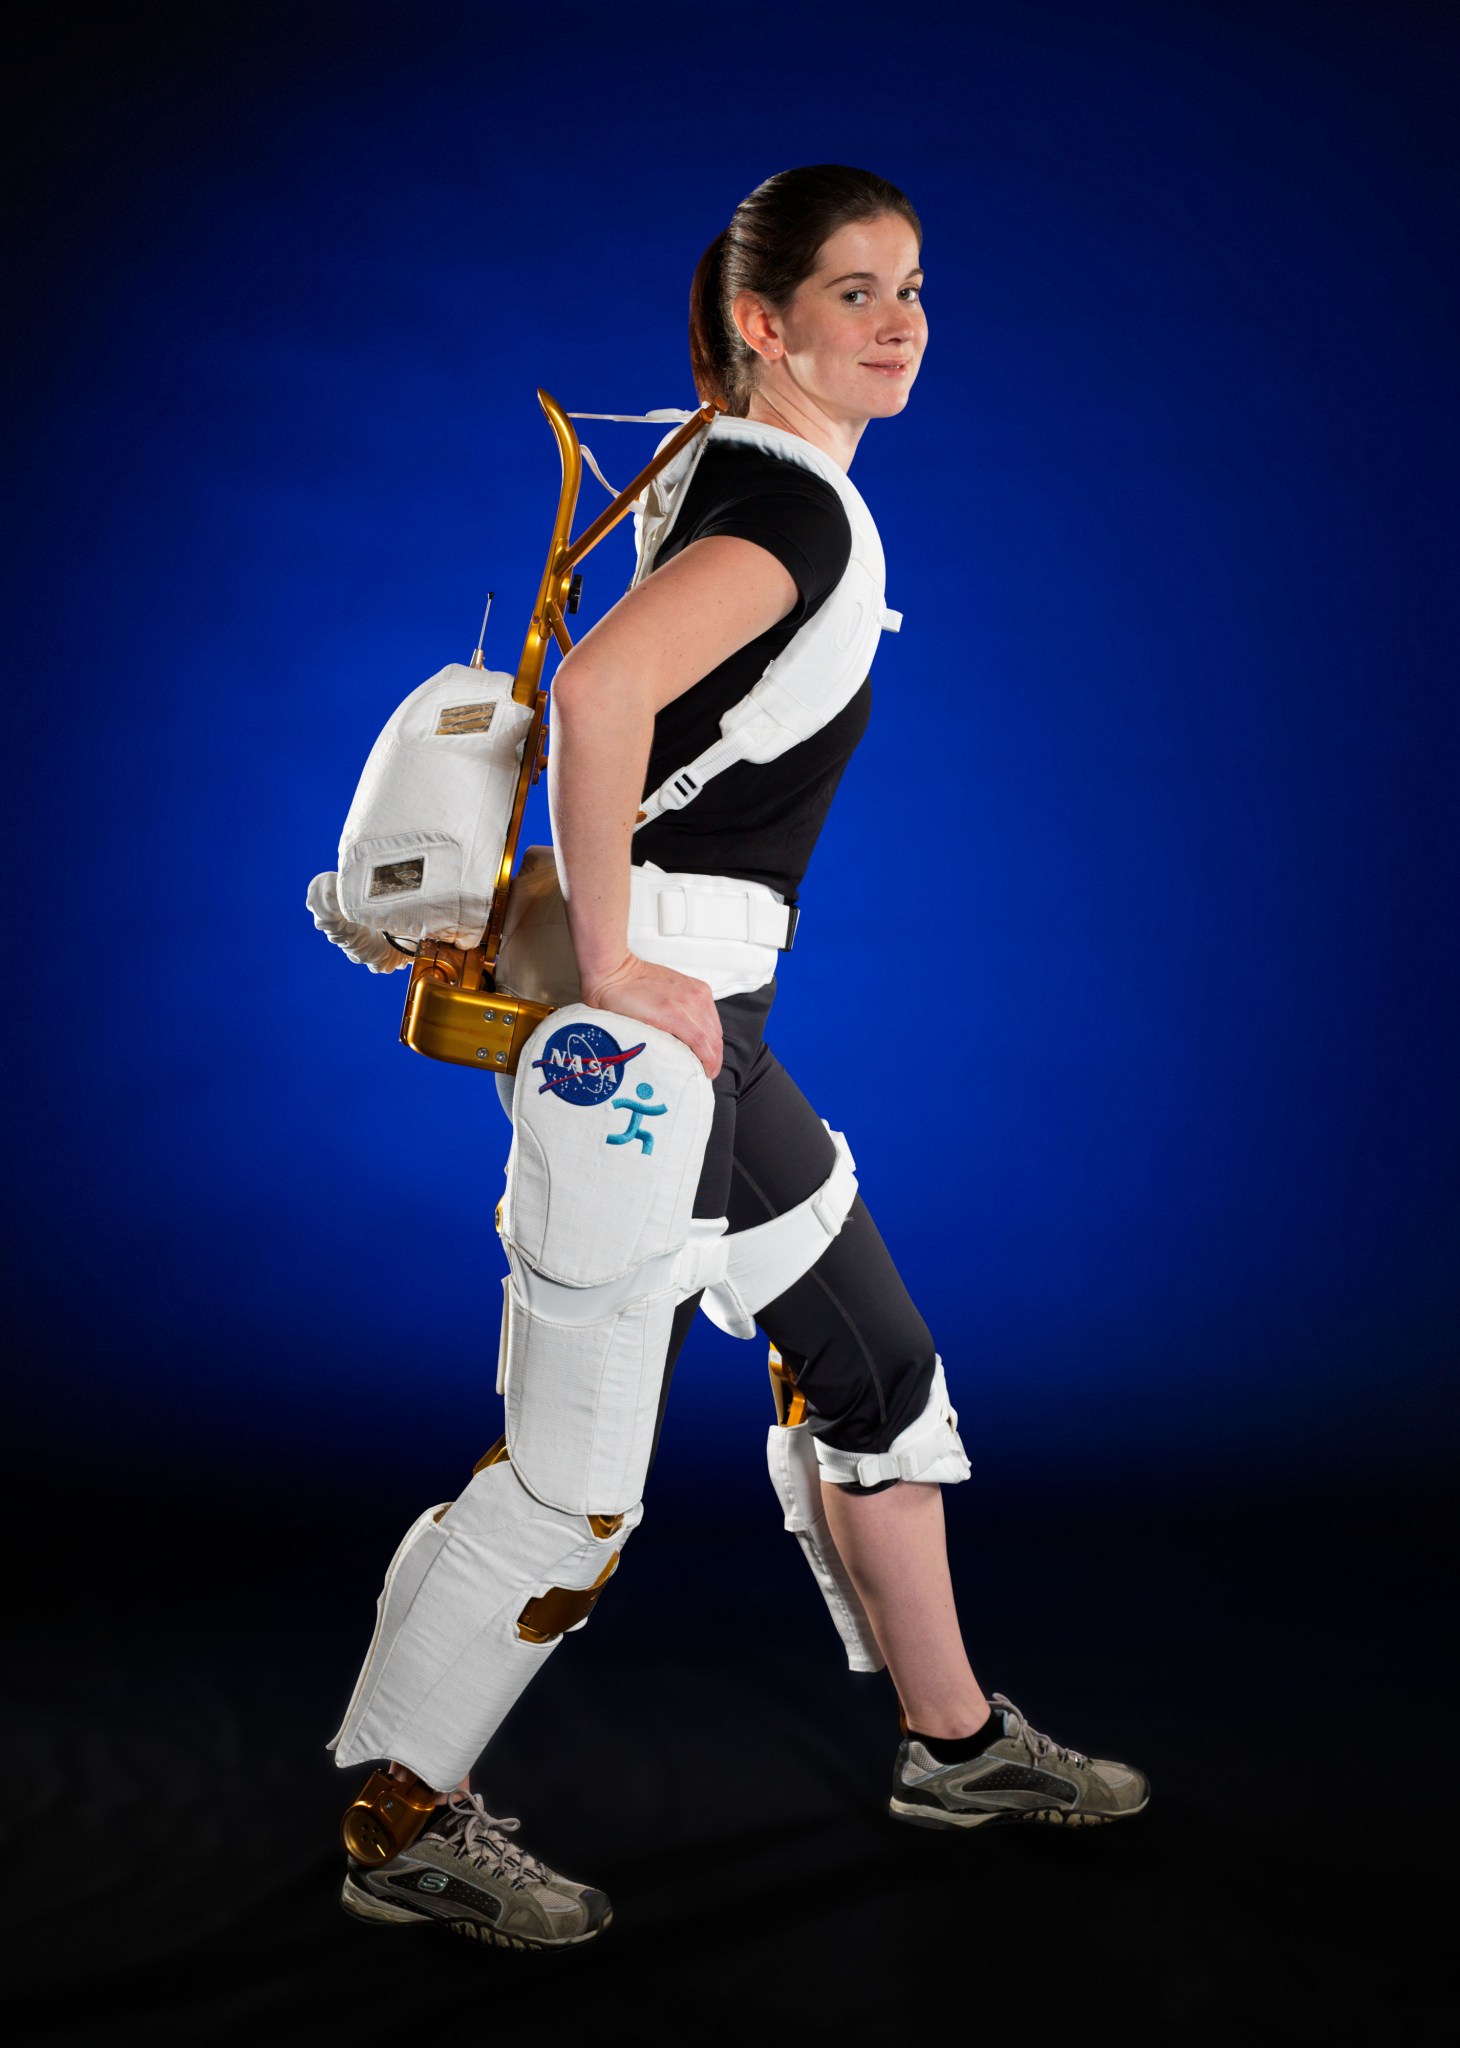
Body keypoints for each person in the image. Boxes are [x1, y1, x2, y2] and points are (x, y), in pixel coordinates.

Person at [315, 164, 1148, 1956]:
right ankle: (399, 1822)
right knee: (571, 1483)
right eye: (856, 293)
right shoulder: (791, 508)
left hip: (712, 1029)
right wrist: (618, 964)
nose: (903, 321)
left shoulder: (726, 467)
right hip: (651, 1030)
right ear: (764, 326)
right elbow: (602, 699)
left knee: (879, 1377)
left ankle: (956, 1744)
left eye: (916, 286)